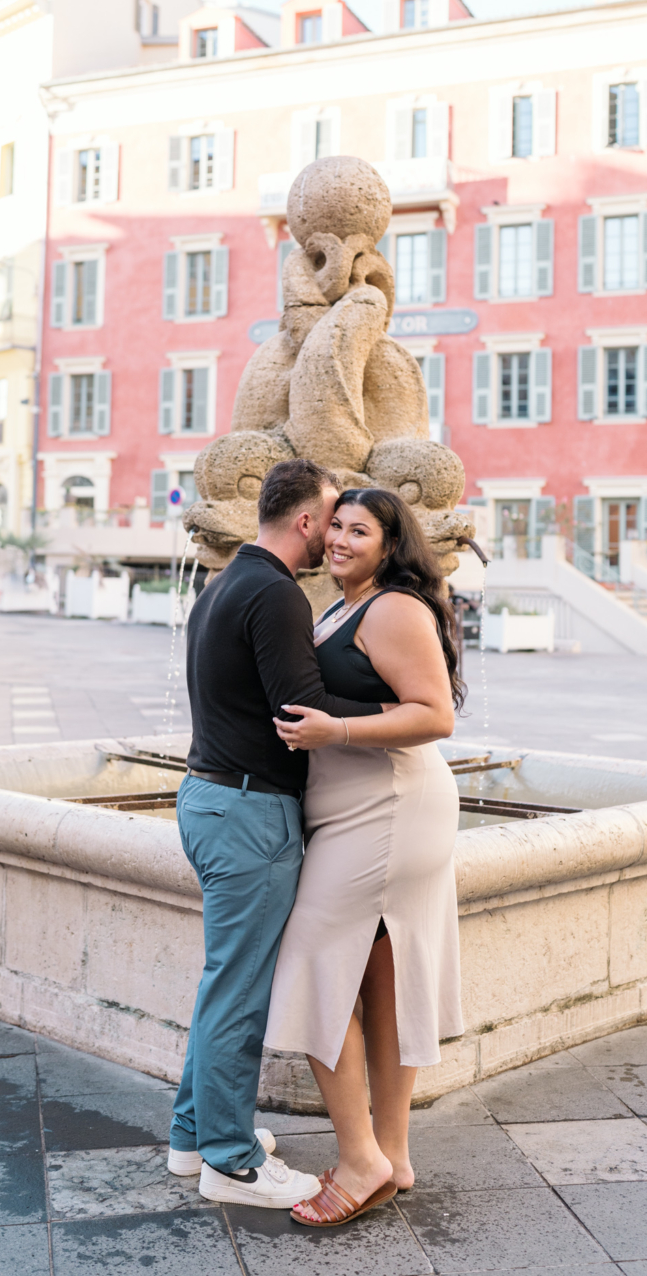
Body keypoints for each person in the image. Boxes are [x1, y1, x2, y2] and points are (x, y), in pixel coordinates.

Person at [168, 459, 386, 1209]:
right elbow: (301, 714)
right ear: (305, 521)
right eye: (332, 517)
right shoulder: (277, 593)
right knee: (241, 989)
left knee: (222, 978)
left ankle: (194, 1133)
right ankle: (230, 1161)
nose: (335, 531)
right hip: (249, 810)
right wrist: (385, 687)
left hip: (207, 798)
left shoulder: (223, 581)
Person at [264, 486, 466, 1228]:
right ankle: (393, 1153)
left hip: (388, 809)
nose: (342, 540)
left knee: (312, 963)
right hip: (360, 808)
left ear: (390, 543)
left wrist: (334, 734)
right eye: (337, 527)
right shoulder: (345, 605)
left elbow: (435, 714)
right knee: (383, 980)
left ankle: (359, 1161)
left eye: (360, 530)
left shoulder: (394, 608)